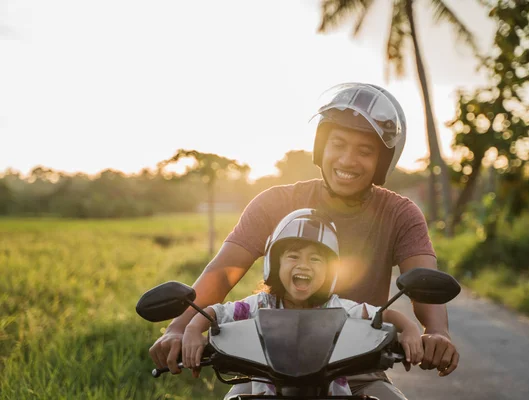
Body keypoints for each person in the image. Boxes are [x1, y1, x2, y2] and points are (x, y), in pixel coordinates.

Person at [149, 82, 459, 398]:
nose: (348, 160)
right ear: (321, 147)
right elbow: (223, 271)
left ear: (382, 161)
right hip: (267, 370)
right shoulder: (275, 202)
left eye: (365, 151)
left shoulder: (399, 213)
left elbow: (425, 284)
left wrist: (436, 332)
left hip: (357, 370)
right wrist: (178, 328)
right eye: (338, 144)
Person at [181, 209, 424, 397]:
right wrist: (192, 330)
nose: (303, 265)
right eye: (293, 256)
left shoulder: (339, 308)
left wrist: (411, 330)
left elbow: (382, 315)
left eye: (315, 259)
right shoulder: (260, 304)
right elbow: (216, 313)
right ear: (275, 264)